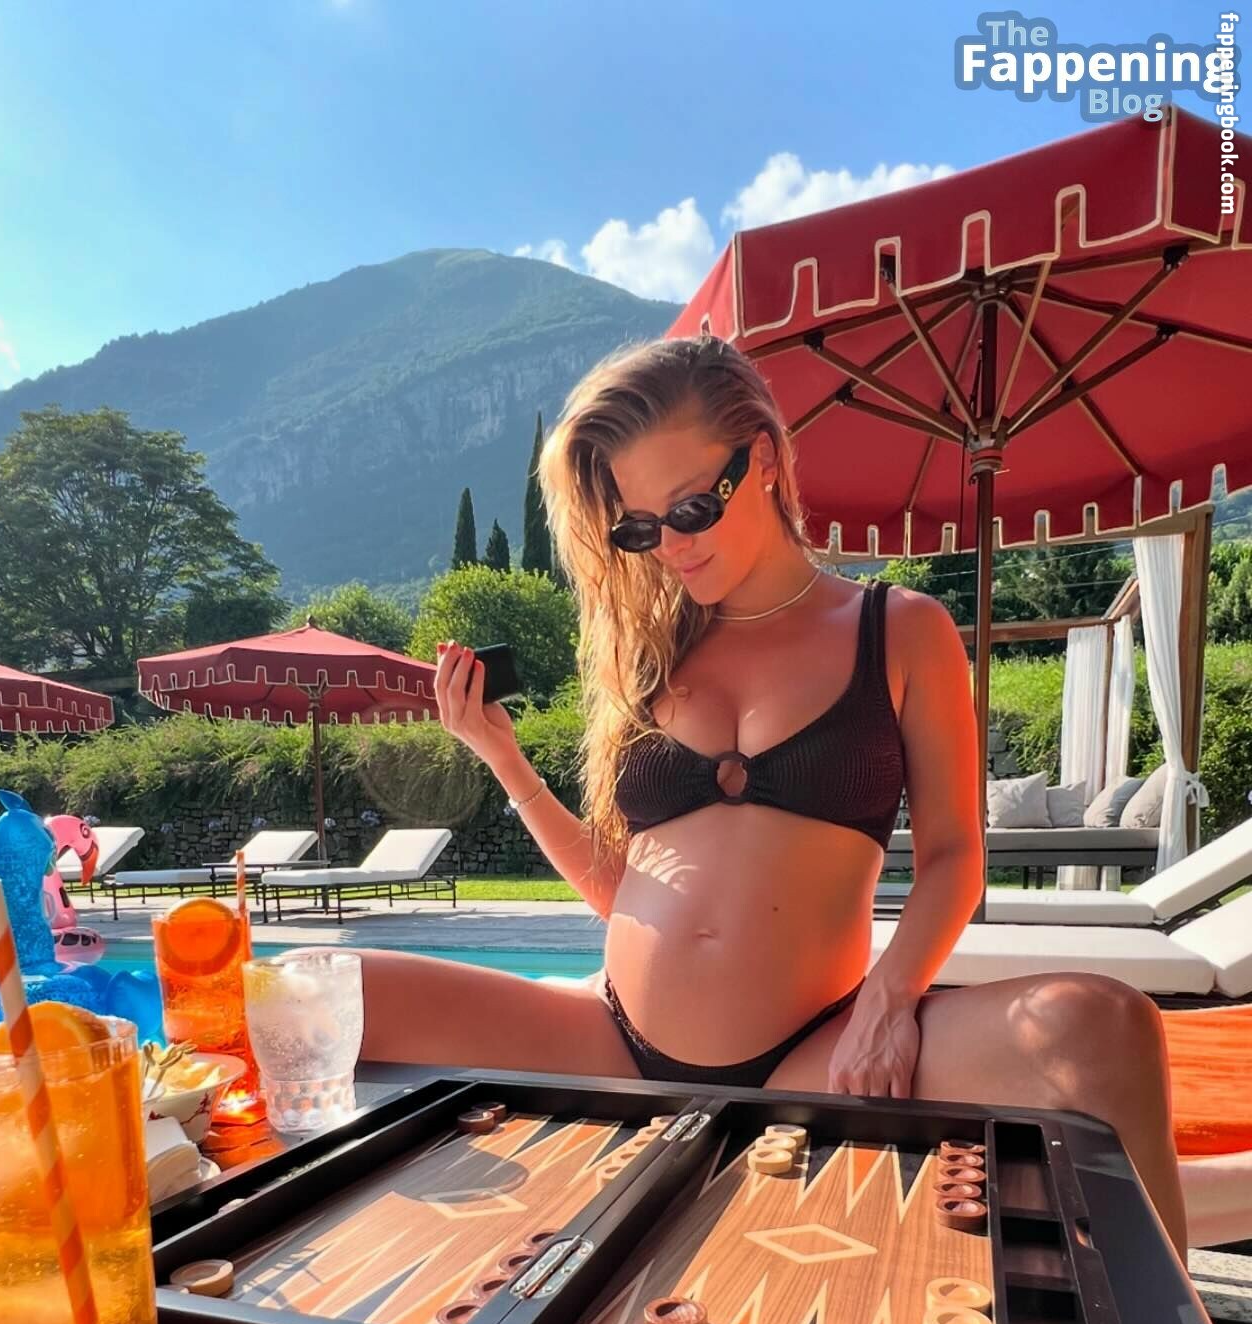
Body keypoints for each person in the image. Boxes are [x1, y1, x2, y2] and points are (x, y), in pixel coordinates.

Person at [357, 335, 1186, 1254]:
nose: (670, 547)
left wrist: (889, 1000)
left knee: (1105, 1028)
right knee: (328, 993)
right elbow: (621, 889)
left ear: (761, 457)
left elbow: (954, 856)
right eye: (639, 529)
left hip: (815, 1054)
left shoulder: (900, 630)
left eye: (689, 508)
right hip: (614, 1041)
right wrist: (503, 757)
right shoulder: (648, 653)